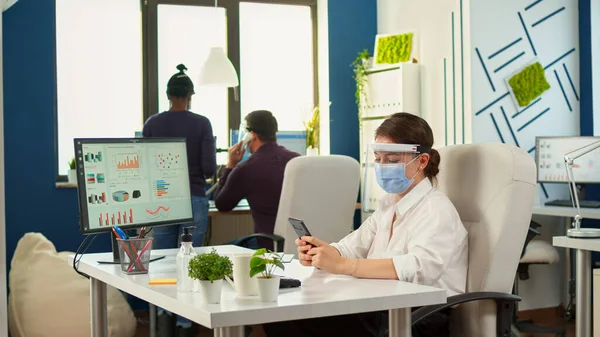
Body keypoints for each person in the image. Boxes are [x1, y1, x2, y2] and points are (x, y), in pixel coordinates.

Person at [261, 113, 469, 337]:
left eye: (392, 160)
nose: (382, 167)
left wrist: (344, 266)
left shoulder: (437, 210)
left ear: (422, 161)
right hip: (379, 308)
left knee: (291, 318)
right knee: (281, 316)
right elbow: (351, 247)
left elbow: (418, 269)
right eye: (378, 159)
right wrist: (322, 253)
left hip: (416, 319)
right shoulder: (389, 205)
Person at [142, 64, 216, 337]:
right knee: (189, 264)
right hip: (194, 198)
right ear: (190, 95)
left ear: (168, 95)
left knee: (162, 263)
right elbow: (209, 168)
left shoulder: (152, 124)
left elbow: (144, 166)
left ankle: (163, 320)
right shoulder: (202, 123)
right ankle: (186, 325)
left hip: (161, 200)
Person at [213, 110, 300, 250]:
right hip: (299, 244)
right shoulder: (297, 160)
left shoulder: (245, 169)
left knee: (216, 251)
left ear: (251, 135)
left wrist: (230, 164)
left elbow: (222, 204)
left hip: (267, 246)